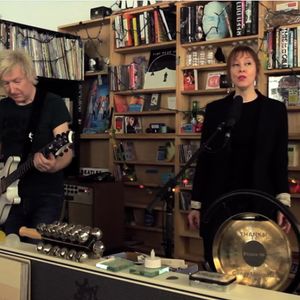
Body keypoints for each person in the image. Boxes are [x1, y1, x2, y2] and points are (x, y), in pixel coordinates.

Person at [187, 45, 291, 269]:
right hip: (219, 200)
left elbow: (279, 159)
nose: (241, 69)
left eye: (247, 64)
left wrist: (283, 203)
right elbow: (205, 159)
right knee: (218, 265)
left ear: (257, 70)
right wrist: (196, 204)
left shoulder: (275, 110)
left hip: (260, 200)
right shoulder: (215, 110)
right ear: (229, 72)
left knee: (254, 267)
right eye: (235, 65)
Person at [0, 49, 73, 239]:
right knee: (11, 252)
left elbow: (66, 149)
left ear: (30, 76)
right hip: (8, 198)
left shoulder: (53, 104)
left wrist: (54, 164)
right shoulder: (2, 108)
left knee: (38, 253)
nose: (12, 89)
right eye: (6, 83)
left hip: (46, 195)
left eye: (17, 81)